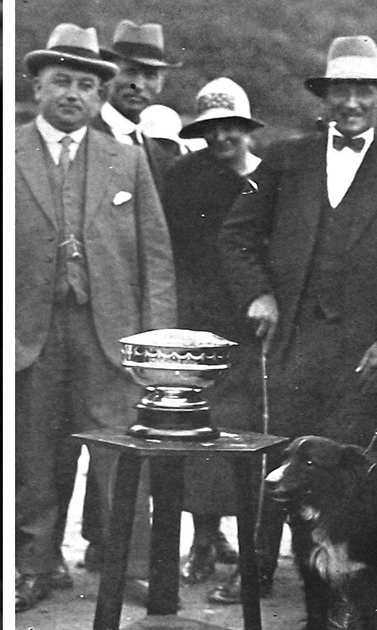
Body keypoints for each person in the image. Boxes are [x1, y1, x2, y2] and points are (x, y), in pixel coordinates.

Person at [214, 36, 377, 609]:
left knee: (349, 470)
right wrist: (259, 295)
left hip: (367, 352)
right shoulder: (287, 160)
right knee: (279, 461)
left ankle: (346, 584)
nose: (351, 103)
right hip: (291, 344)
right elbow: (236, 235)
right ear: (325, 98)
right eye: (341, 91)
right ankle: (258, 568)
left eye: (363, 91)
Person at [13, 23, 175, 613]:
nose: (73, 95)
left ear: (100, 96)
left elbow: (154, 255)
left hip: (111, 333)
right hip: (30, 330)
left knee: (121, 448)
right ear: (36, 86)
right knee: (33, 449)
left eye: (87, 85)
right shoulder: (9, 154)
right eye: (61, 81)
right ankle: (33, 566)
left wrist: (157, 344)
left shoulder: (126, 161)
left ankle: (133, 567)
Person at [159, 77, 262, 585]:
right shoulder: (182, 177)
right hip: (196, 323)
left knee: (243, 432)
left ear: (247, 128)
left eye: (232, 127)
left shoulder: (272, 177)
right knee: (197, 433)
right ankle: (202, 536)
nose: (222, 137)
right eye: (212, 128)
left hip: (250, 325)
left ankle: (251, 543)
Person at [97, 21, 186, 179]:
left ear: (160, 84)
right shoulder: (82, 136)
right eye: (130, 72)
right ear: (108, 76)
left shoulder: (158, 155)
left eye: (150, 75)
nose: (138, 85)